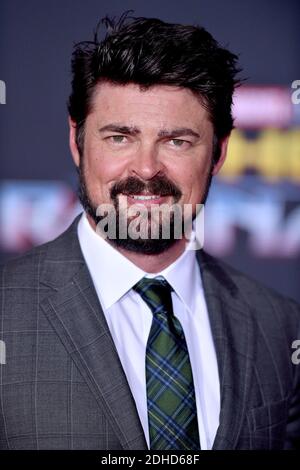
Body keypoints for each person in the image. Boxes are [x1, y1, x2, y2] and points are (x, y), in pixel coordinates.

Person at [0, 13, 299, 451]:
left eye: (177, 141)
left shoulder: (280, 327)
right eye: (120, 137)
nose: (145, 168)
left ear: (218, 152)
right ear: (77, 141)